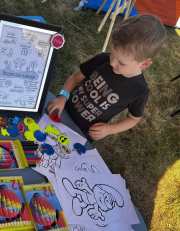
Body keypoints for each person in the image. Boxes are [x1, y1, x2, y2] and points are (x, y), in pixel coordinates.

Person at [47, 14, 165, 142]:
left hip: (81, 133)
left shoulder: (139, 91)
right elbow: (75, 77)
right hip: (62, 109)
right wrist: (62, 97)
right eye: (112, 55)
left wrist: (110, 129)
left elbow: (133, 119)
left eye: (121, 62)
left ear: (144, 64)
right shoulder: (103, 59)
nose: (112, 63)